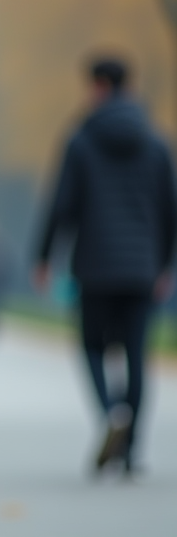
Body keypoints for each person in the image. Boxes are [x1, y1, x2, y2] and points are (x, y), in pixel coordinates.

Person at [35, 56, 177, 475]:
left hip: (95, 267)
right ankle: (130, 452)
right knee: (135, 354)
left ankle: (112, 413)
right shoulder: (156, 144)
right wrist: (165, 265)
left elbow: (61, 205)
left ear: (98, 87)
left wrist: (44, 257)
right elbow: (171, 211)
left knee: (94, 347)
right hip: (142, 269)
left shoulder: (81, 140)